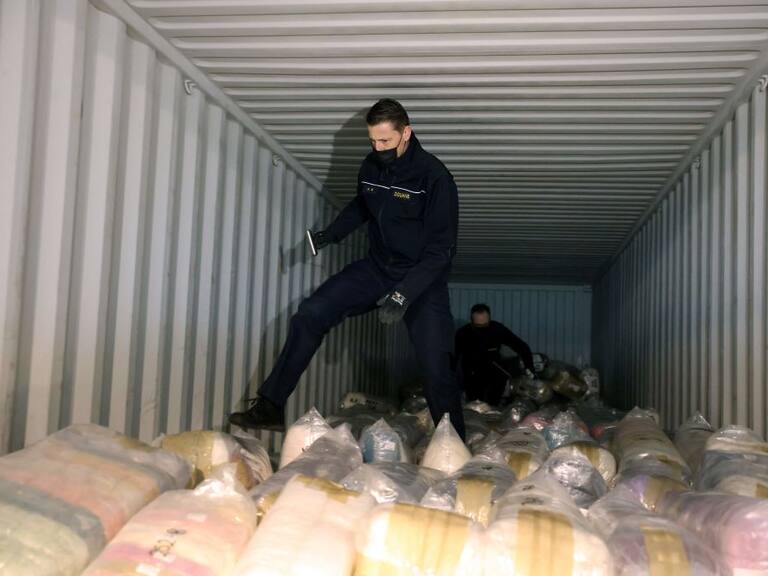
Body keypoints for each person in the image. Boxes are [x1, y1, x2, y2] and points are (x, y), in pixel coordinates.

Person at [229, 98, 466, 439]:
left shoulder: (435, 178)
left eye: (385, 141)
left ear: (406, 133)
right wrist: (332, 234)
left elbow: (441, 251)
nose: (377, 147)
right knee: (311, 313)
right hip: (377, 267)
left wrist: (402, 295)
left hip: (421, 279)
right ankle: (271, 406)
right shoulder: (371, 166)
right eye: (372, 140)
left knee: (435, 366)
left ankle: (454, 447)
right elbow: (362, 204)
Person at [455, 303, 535, 406]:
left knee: (493, 405)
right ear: (472, 321)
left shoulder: (497, 329)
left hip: (495, 373)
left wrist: (529, 366)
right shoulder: (463, 333)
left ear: (489, 319)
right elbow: (453, 356)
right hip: (472, 374)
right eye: (478, 326)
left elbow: (521, 346)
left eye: (485, 325)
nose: (482, 330)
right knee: (475, 406)